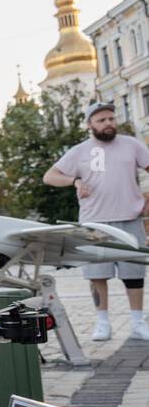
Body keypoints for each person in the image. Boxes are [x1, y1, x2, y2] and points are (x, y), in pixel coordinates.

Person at [44, 100, 149, 341]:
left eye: (111, 118)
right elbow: (50, 176)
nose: (108, 123)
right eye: (101, 120)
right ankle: (102, 323)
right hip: (95, 224)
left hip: (129, 220)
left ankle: (137, 323)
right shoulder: (79, 151)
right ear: (90, 124)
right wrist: (74, 181)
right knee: (96, 275)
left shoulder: (132, 145)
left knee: (134, 275)